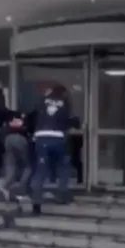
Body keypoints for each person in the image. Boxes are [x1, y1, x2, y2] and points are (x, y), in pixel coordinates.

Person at [30, 84, 78, 215]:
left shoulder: (42, 101)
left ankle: (36, 202)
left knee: (40, 170)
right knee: (63, 165)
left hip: (41, 137)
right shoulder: (64, 102)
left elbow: (34, 116)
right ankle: (62, 195)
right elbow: (68, 120)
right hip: (57, 137)